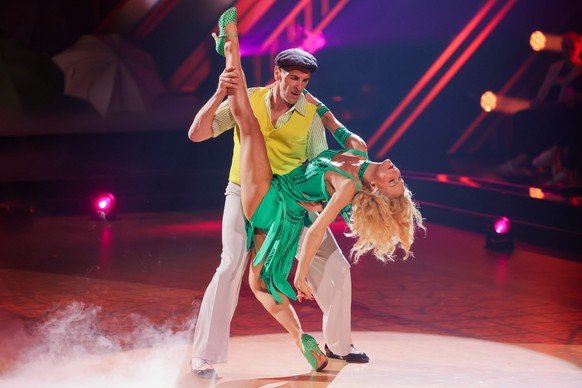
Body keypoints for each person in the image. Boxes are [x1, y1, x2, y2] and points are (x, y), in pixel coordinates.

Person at [200, 7, 424, 372]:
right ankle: (206, 355)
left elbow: (319, 200)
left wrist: (304, 262)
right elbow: (334, 126)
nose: (395, 170)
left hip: (288, 199)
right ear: (279, 75)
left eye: (393, 180)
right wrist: (307, 96)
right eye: (295, 79)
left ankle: (337, 345)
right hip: (249, 191)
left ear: (381, 190)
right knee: (231, 267)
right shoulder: (359, 149)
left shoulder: (345, 179)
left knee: (333, 267)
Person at [497, 31, 582, 186]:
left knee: (548, 119)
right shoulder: (556, 67)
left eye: (571, 48)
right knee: (521, 116)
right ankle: (522, 161)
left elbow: (571, 95)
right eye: (565, 47)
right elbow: (544, 90)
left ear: (578, 49)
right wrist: (536, 102)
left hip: (561, 108)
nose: (568, 51)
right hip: (547, 105)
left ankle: (522, 160)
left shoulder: (580, 70)